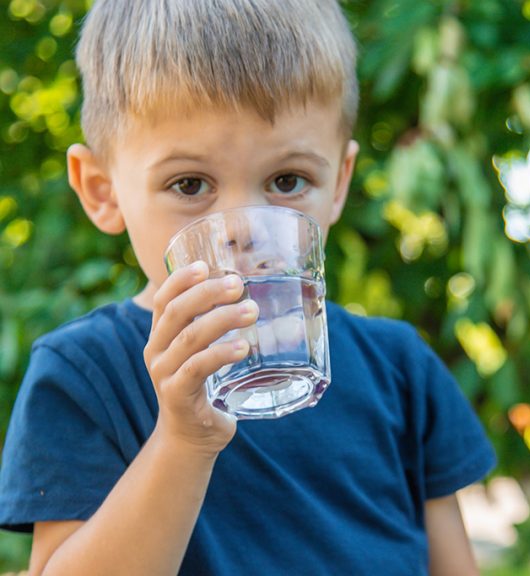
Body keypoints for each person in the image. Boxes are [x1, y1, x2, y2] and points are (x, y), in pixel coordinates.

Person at [0, 1, 496, 574]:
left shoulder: (400, 370)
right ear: (102, 191)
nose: (244, 229)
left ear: (339, 184)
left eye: (287, 180)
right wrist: (183, 441)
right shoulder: (84, 375)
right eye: (190, 184)